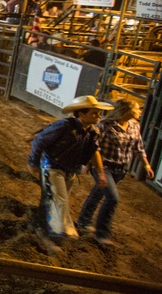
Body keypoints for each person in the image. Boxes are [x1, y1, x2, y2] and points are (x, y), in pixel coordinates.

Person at [28, 95, 112, 240]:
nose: (99, 115)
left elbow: (94, 152)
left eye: (99, 112)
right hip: (52, 167)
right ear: (81, 114)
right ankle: (61, 231)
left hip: (70, 170)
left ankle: (39, 225)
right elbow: (39, 141)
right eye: (94, 113)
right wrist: (33, 163)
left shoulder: (93, 132)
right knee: (60, 199)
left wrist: (101, 173)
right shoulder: (64, 126)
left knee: (52, 198)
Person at [76, 98, 155, 247]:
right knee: (112, 198)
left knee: (98, 194)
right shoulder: (105, 126)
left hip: (120, 169)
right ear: (127, 111)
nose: (140, 111)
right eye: (137, 109)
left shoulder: (134, 125)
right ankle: (102, 234)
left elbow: (138, 146)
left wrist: (147, 166)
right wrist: (92, 166)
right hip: (104, 167)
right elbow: (95, 148)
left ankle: (83, 221)